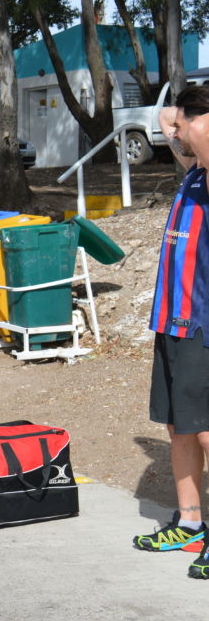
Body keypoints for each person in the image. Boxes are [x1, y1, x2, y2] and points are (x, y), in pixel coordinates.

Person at [132, 85, 209, 580]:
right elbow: (190, 155)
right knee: (179, 426)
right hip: (172, 319)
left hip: (203, 322)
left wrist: (187, 123)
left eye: (184, 125)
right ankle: (190, 523)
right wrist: (173, 128)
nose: (176, 132)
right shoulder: (196, 176)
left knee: (205, 431)